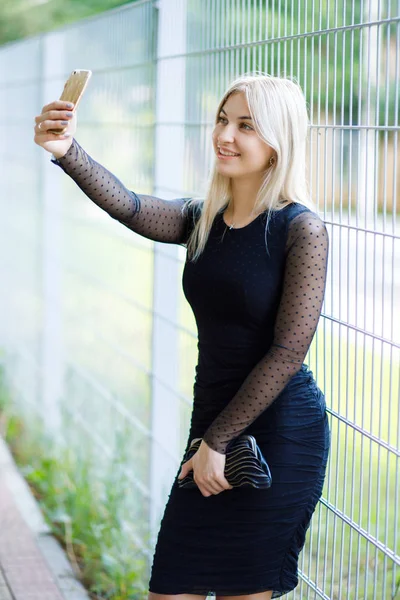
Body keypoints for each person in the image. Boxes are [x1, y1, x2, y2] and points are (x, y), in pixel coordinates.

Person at [34, 73, 330, 600]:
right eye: (222, 119)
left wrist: (218, 441)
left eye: (246, 126)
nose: (225, 135)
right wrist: (68, 151)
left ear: (279, 140)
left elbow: (289, 351)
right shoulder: (202, 219)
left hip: (277, 436)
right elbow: (127, 205)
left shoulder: (300, 229)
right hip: (212, 422)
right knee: (171, 586)